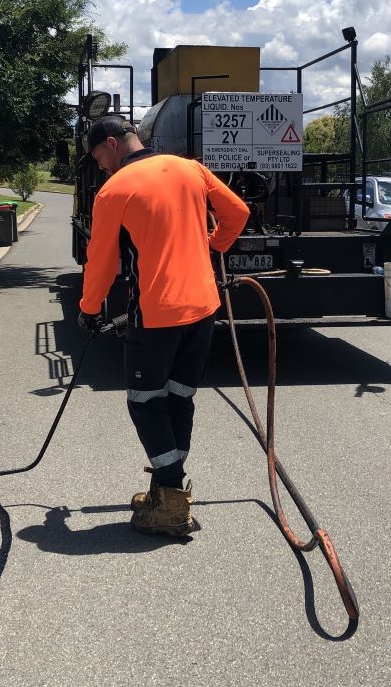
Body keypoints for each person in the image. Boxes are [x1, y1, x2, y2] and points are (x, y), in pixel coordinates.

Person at [78, 115, 249, 536]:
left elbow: (102, 260)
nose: (100, 165)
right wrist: (213, 247)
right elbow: (239, 212)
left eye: (99, 156)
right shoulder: (190, 168)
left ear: (113, 143)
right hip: (204, 308)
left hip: (155, 315)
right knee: (179, 397)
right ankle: (167, 488)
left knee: (144, 401)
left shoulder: (114, 190)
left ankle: (172, 498)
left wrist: (89, 307)